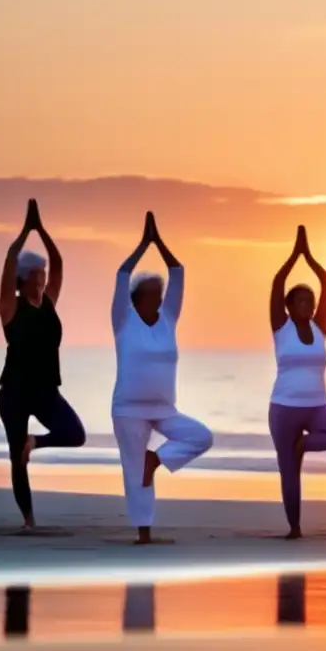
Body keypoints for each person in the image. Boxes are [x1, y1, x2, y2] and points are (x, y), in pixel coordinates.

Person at [111, 212, 213, 545]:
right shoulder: (124, 320)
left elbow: (179, 272)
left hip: (165, 409)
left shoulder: (168, 318)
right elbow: (122, 273)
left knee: (201, 437)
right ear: (139, 297)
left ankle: (158, 458)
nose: (162, 294)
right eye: (154, 291)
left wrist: (159, 242)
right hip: (129, 408)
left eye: (162, 291)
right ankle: (144, 534)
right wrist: (143, 246)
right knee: (133, 472)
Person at [0, 199, 86, 531]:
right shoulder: (10, 306)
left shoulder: (48, 303)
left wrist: (41, 229)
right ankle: (29, 520)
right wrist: (24, 233)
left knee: (75, 434)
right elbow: (8, 263)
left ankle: (36, 441)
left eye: (44, 271)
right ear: (26, 276)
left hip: (47, 391)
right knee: (16, 459)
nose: (45, 274)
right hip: (15, 393)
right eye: (39, 271)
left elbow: (60, 262)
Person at [269, 225, 326, 539]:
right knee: (289, 472)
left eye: (311, 301)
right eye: (302, 301)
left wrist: (310, 257)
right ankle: (294, 528)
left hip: (317, 408)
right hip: (284, 408)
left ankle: (304, 444)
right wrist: (294, 255)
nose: (309, 305)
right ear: (289, 307)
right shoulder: (281, 328)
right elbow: (278, 282)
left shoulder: (321, 329)